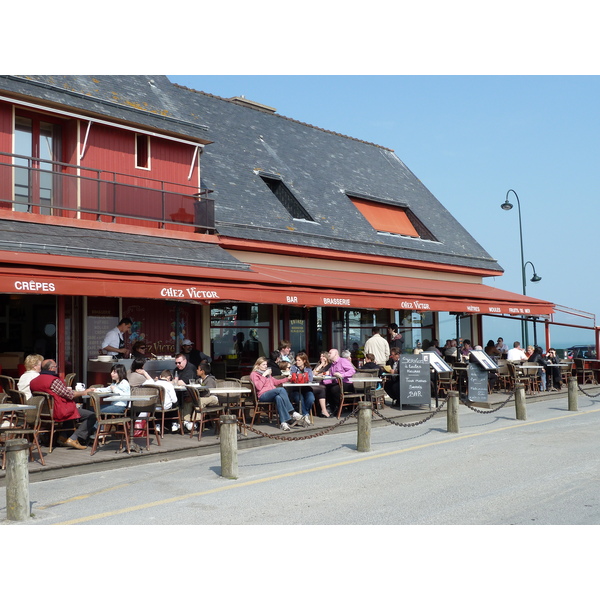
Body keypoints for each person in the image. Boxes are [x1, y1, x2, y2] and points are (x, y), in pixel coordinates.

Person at [29, 359, 96, 450]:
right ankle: (74, 438)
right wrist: (85, 392)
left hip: (42, 413)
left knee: (70, 412)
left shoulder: (33, 381)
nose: (57, 368)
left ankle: (63, 437)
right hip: (57, 411)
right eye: (56, 366)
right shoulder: (53, 381)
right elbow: (70, 395)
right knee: (91, 415)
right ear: (51, 368)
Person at [249, 357, 302, 431]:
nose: (265, 366)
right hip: (263, 395)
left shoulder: (268, 374)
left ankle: (283, 422)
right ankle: (292, 412)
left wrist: (287, 379)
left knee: (279, 398)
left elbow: (275, 382)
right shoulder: (254, 374)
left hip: (272, 393)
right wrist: (264, 376)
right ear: (258, 365)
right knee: (281, 389)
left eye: (266, 364)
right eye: (263, 364)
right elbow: (258, 387)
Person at [180, 363, 219, 432]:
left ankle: (196, 422)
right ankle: (186, 421)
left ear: (202, 371)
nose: (196, 370)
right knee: (188, 401)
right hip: (201, 398)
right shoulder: (199, 380)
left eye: (198, 369)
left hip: (212, 397)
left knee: (199, 401)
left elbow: (208, 392)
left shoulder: (210, 380)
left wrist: (196, 397)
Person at [322, 348, 356, 414]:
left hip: (347, 383)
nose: (328, 354)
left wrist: (342, 375)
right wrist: (324, 381)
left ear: (336, 354)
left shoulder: (343, 361)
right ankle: (332, 407)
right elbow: (332, 376)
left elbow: (352, 371)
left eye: (330, 353)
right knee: (325, 388)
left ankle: (340, 407)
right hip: (337, 383)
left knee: (334, 389)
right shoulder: (333, 364)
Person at [288, 352, 315, 426]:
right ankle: (306, 415)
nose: (297, 362)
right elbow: (292, 378)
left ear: (304, 361)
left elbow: (310, 379)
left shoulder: (308, 369)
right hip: (296, 389)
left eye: (299, 360)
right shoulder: (293, 368)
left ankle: (303, 415)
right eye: (296, 360)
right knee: (300, 398)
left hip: (306, 388)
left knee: (311, 398)